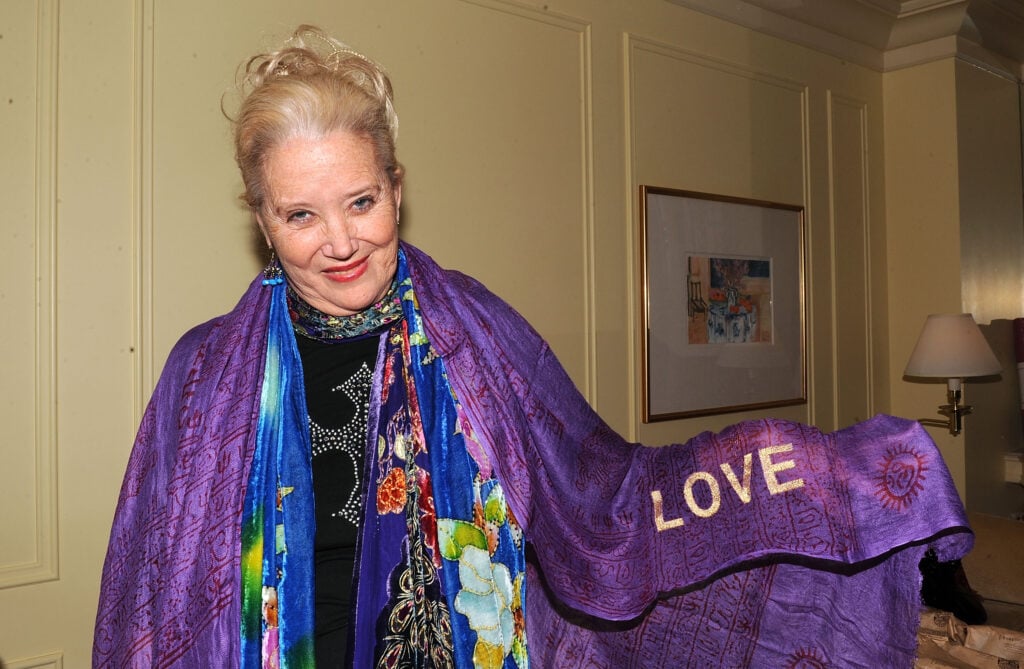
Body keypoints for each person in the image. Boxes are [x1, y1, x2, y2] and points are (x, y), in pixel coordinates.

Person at [93, 25, 972, 668]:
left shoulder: (477, 331)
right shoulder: (200, 376)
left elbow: (605, 494)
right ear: (262, 218)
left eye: (361, 201)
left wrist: (823, 469)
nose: (340, 241)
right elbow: (147, 594)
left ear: (397, 188)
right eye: (300, 214)